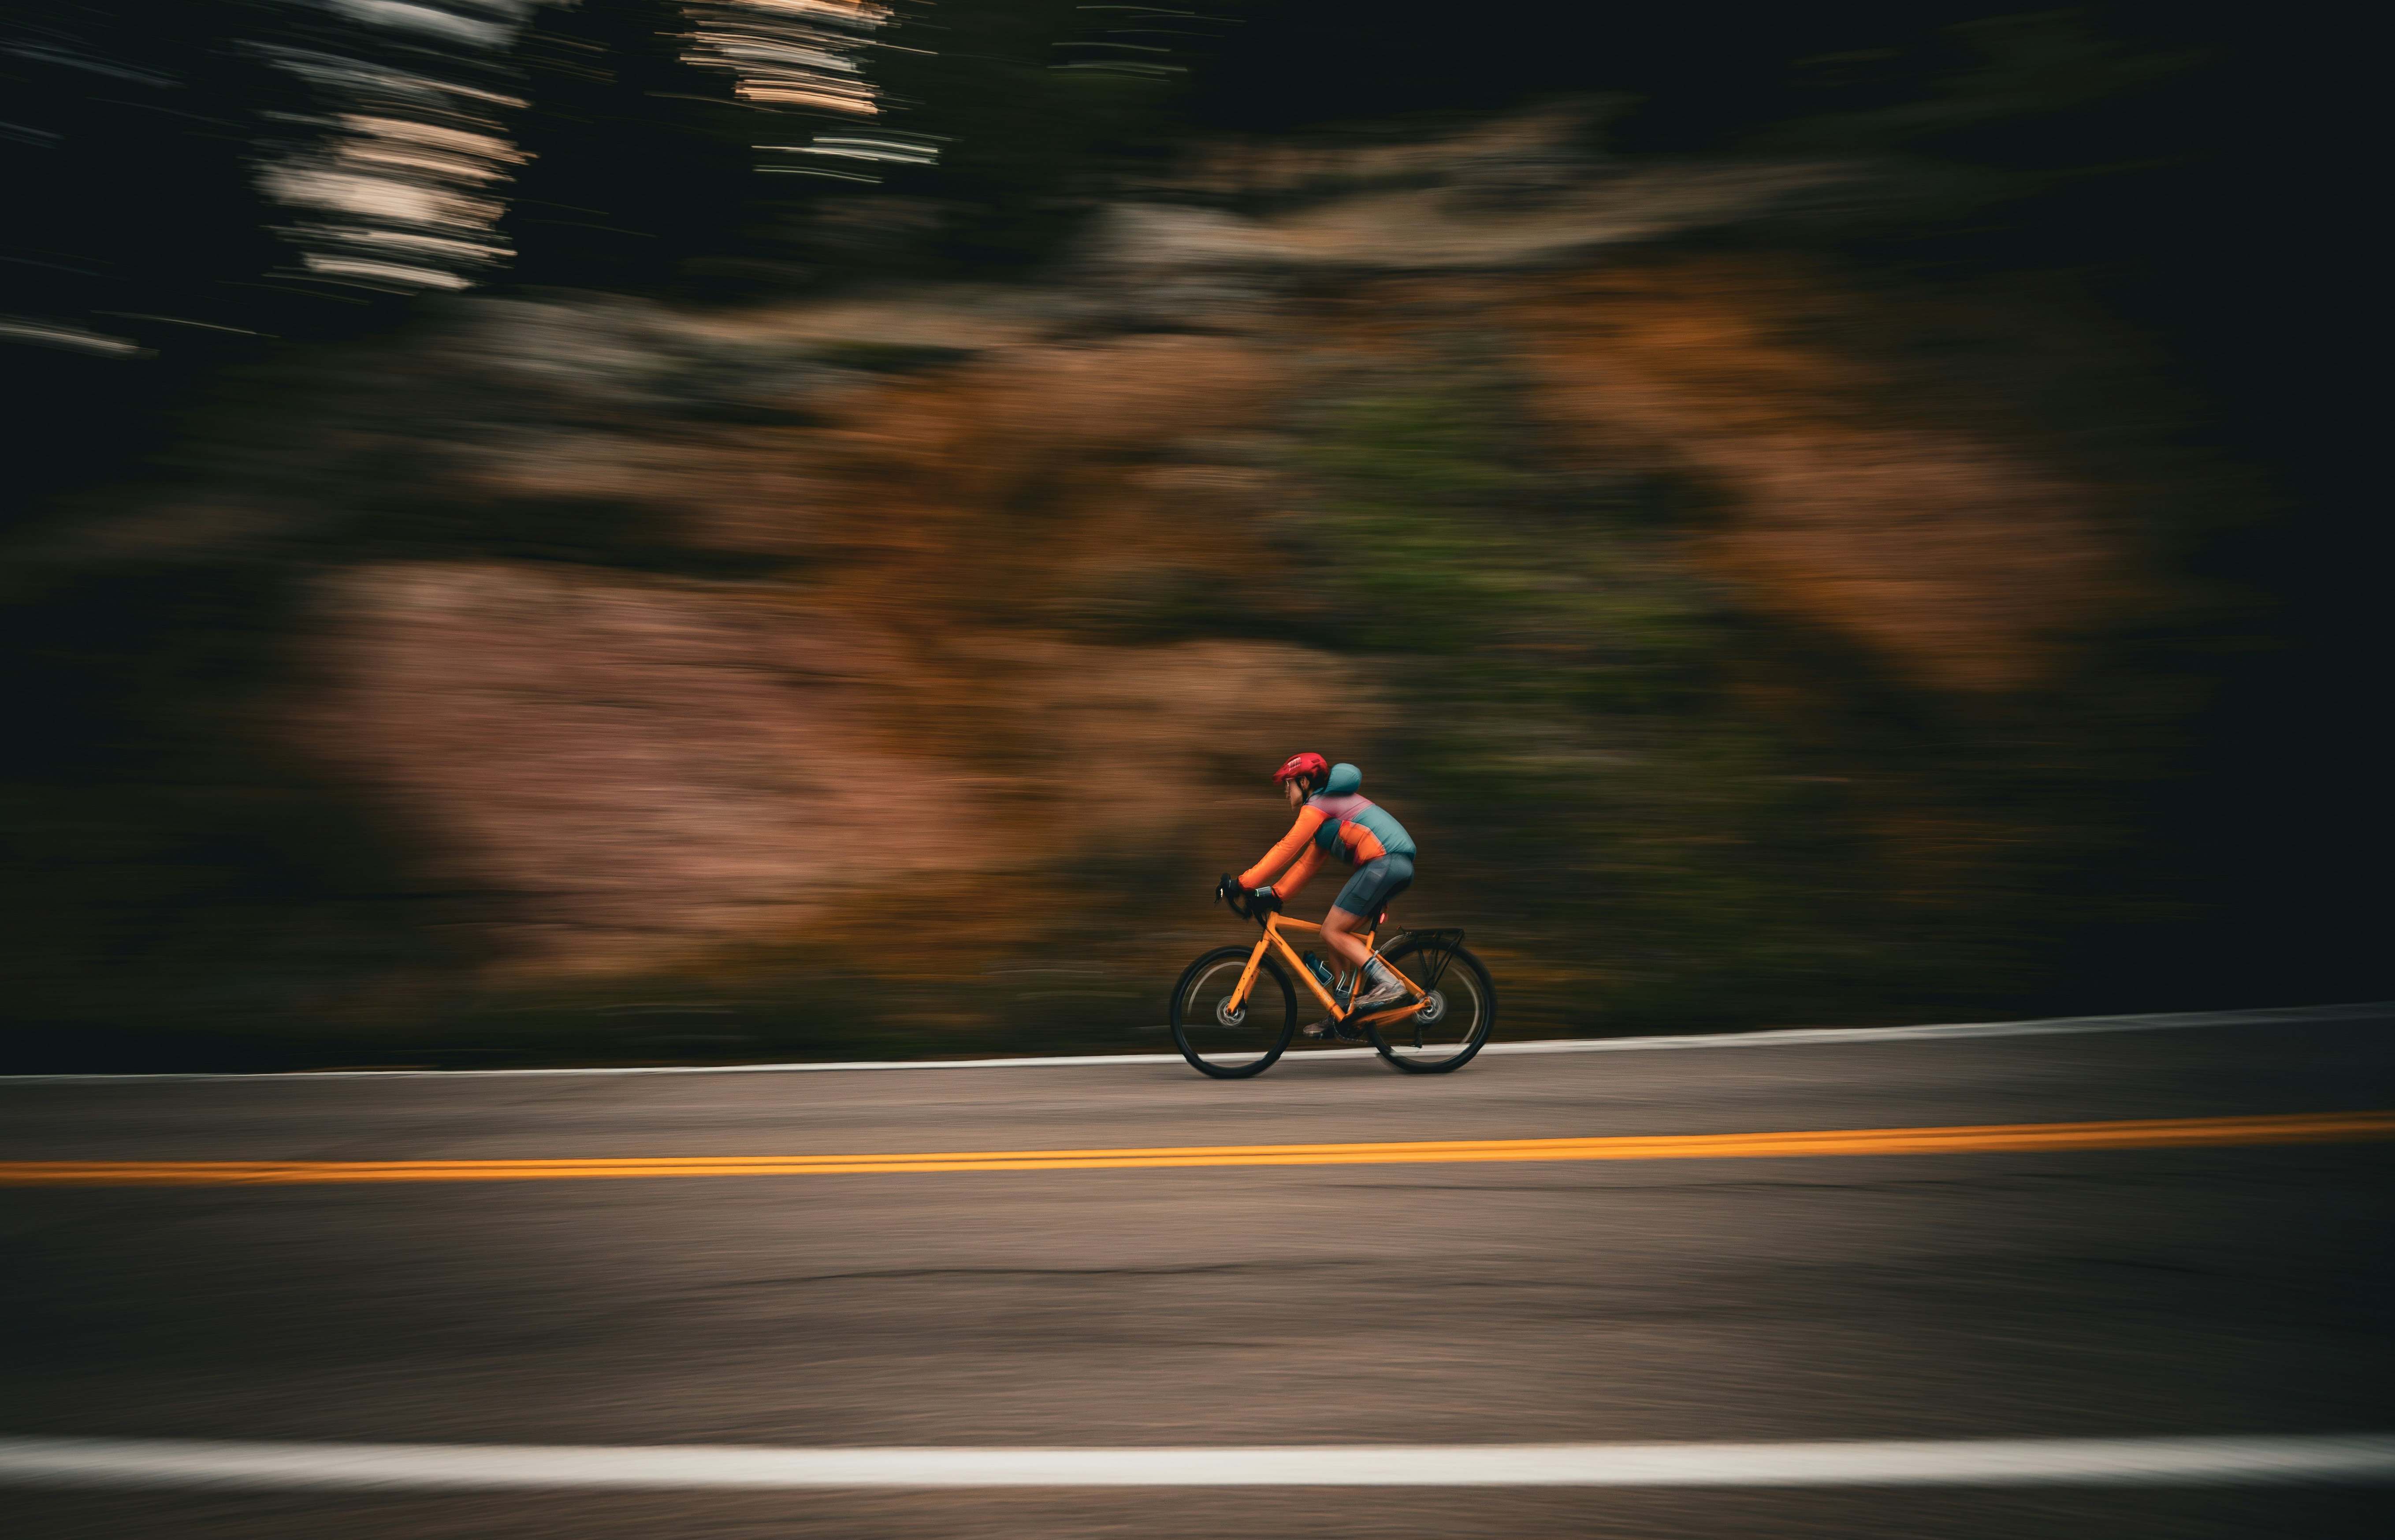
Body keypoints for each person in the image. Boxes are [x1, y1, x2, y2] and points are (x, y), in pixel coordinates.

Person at [1235, 752, 1417, 1037]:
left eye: (1290, 783)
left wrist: (1242, 883)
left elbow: (1287, 847)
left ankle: (1390, 984)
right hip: (1392, 865)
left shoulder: (1318, 805)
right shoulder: (1327, 818)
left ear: (1305, 781)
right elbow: (1307, 865)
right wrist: (1275, 895)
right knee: (1337, 936)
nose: (1286, 790)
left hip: (1385, 862)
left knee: (1332, 931)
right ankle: (1341, 1013)